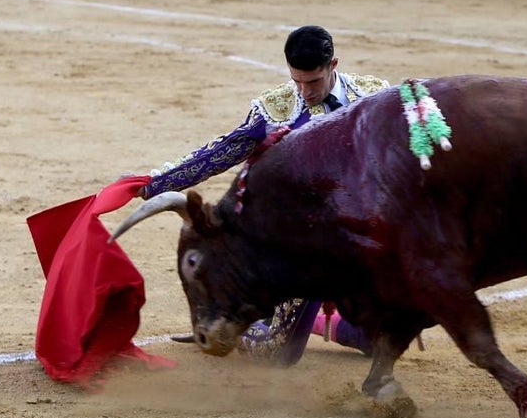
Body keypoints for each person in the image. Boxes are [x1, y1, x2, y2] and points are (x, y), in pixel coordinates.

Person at [136, 26, 387, 364]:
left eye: (312, 82)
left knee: (383, 339)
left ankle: (317, 319)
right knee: (276, 355)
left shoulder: (373, 99)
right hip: (300, 248)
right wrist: (155, 183)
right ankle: (258, 319)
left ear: (333, 65)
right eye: (297, 81)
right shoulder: (276, 108)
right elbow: (221, 153)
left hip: (359, 242)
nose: (304, 91)